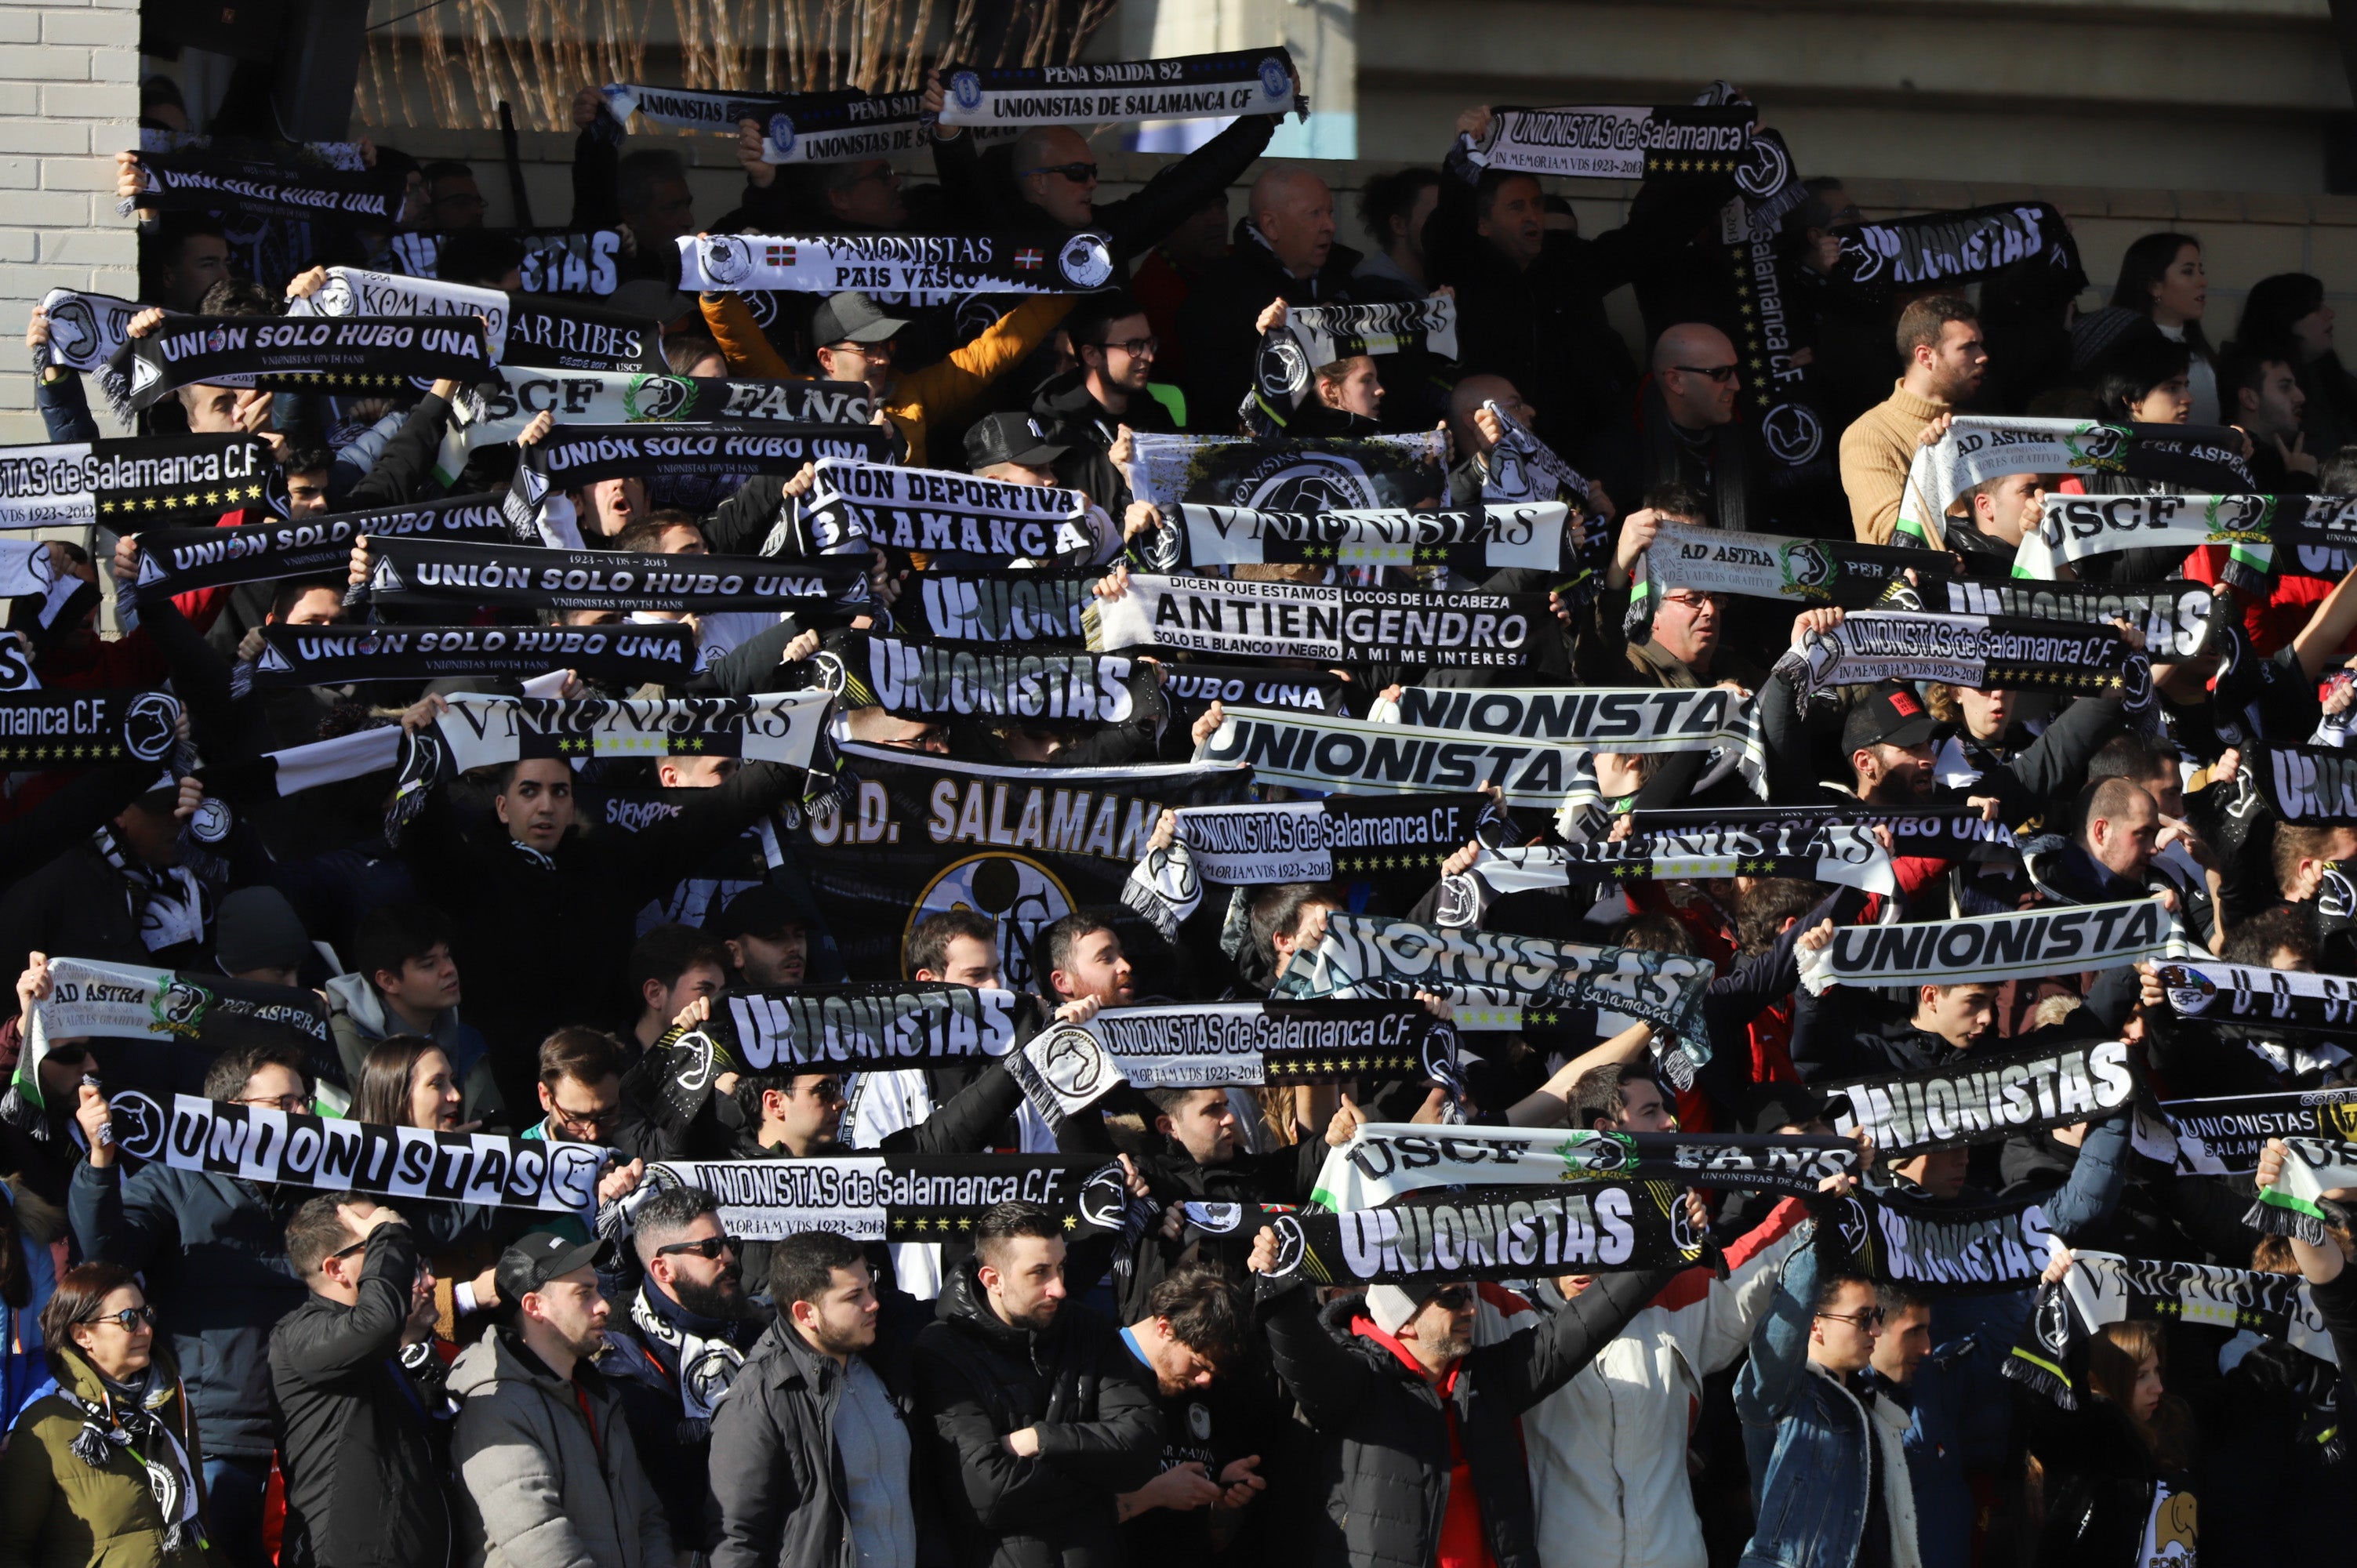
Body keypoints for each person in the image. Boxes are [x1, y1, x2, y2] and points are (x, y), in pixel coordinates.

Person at [1250, 1217, 1676, 1568]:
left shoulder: (1487, 1381)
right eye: (1452, 1298)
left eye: (1468, 1294)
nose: (1471, 1309)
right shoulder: (1357, 1382)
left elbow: (1579, 1328)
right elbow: (1298, 1355)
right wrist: (1274, 1282)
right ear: (1407, 1319)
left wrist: (1667, 1247)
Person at [68, 1042, 314, 1568]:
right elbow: (104, 1254)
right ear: (230, 1113)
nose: (304, 1117)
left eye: (306, 1103)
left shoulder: (318, 1192)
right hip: (216, 1439)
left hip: (312, 1430)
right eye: (285, 1104)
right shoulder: (172, 1182)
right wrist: (102, 1158)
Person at [909, 1201, 1163, 1568]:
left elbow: (1142, 1447)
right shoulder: (943, 1351)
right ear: (992, 1280)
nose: (1059, 1288)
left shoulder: (1087, 1330)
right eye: (1039, 1273)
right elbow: (988, 1494)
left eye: (1061, 1267)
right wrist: (1098, 1478)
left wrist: (1041, 1439)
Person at [449, 1231, 674, 1568]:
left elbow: (647, 1517)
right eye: (584, 1294)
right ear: (534, 1306)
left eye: (597, 1290)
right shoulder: (494, 1406)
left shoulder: (598, 1396)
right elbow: (540, 1543)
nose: (604, 1305)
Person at [708, 1228, 923, 1568]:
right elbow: (737, 1540)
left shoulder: (885, 1357)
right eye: (854, 1297)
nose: (873, 1303)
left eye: (871, 1285)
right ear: (806, 1313)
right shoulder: (758, 1399)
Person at [269, 1197, 449, 1568]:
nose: (394, 1251)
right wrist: (391, 1234)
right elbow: (377, 1324)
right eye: (375, 1241)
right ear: (335, 1269)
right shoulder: (300, 1333)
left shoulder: (373, 1346)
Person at [0, 1263, 209, 1568]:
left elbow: (202, 1528)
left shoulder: (172, 1404)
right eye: (127, 1319)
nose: (146, 1329)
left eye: (145, 1313)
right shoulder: (47, 1425)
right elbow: (10, 1546)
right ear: (83, 1335)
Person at [1734, 1237, 1923, 1568]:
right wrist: (1819, 1235)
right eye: (1863, 1317)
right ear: (1816, 1325)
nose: (1876, 1330)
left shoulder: (1873, 1407)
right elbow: (1780, 1337)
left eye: (1877, 1315)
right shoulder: (1784, 1395)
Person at [2017, 1252, 2199, 1568]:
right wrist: (2058, 1308)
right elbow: (2050, 1408)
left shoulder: (2172, 1423)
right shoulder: (2088, 1437)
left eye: (2157, 1372)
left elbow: (2243, 1391)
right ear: (2110, 1375)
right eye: (2141, 1376)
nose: (2157, 1387)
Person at [1177, 169, 1358, 430]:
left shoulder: (1345, 281)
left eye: (1330, 213)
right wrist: (1280, 347)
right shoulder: (1220, 292)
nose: (1330, 226)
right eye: (1314, 214)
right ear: (1271, 225)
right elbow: (1215, 398)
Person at [1112, 1265, 1263, 1566]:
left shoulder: (1206, 1387)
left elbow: (1213, 1527)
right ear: (1164, 1328)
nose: (1205, 1380)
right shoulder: (1099, 1370)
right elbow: (1060, 1509)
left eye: (1214, 1371)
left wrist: (1222, 1488)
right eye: (1198, 1364)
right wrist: (1153, 1494)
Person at [325, 901, 499, 1127]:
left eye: (447, 955)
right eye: (428, 965)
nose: (449, 969)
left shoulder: (468, 1041)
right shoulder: (340, 1047)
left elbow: (499, 1132)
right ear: (388, 981)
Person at [1841, 296, 1988, 545]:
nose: (1983, 356)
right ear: (1925, 356)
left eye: (1981, 345)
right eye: (1968, 347)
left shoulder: (1977, 426)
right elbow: (1897, 537)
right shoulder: (1870, 435)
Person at [1642, 322, 1756, 530]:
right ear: (1675, 381)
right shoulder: (1628, 452)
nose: (1735, 385)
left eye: (1735, 371)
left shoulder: (1750, 439)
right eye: (1720, 373)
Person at [2111, 231, 2217, 425]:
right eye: (2188, 271)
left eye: (2201, 271)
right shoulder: (2129, 351)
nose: (2202, 281)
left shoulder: (2201, 353)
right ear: (2155, 286)